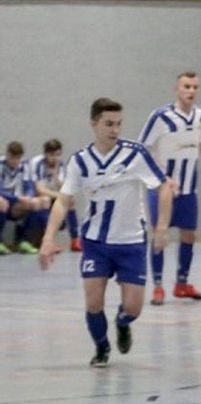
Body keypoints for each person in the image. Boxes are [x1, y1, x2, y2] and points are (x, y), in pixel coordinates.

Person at [39, 97, 174, 367]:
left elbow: (165, 187)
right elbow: (63, 201)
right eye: (108, 124)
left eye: (119, 124)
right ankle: (102, 348)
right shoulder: (80, 161)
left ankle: (123, 323)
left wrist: (161, 228)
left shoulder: (135, 154)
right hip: (96, 242)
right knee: (93, 302)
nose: (115, 129)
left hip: (131, 242)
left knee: (134, 307)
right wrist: (48, 238)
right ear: (94, 124)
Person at [139, 71, 201, 305]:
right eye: (187, 86)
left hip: (189, 187)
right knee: (160, 234)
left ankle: (182, 283)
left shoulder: (200, 116)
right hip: (162, 189)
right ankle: (158, 286)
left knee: (189, 234)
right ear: (176, 89)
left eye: (195, 87)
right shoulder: (161, 117)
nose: (191, 91)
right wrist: (160, 177)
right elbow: (142, 149)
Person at [28, 139, 82, 252]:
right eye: (52, 155)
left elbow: (65, 188)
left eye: (58, 155)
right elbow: (39, 189)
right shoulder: (38, 163)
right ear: (46, 154)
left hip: (53, 196)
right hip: (37, 197)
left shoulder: (61, 165)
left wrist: (56, 176)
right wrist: (59, 196)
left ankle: (75, 239)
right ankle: (49, 241)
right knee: (45, 200)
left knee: (70, 202)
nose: (55, 158)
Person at [0, 141, 50, 255]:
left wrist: (29, 196)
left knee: (37, 202)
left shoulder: (25, 165)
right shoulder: (1, 165)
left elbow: (30, 186)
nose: (15, 161)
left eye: (18, 158)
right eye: (12, 158)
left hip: (16, 202)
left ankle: (24, 240)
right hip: (5, 199)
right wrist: (16, 198)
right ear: (7, 155)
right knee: (1, 202)